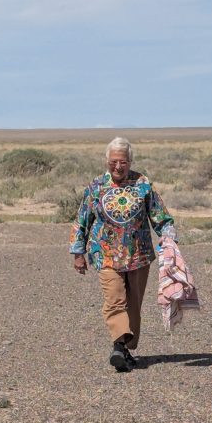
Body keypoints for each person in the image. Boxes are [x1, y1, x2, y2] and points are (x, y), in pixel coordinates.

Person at [69, 137, 177, 372]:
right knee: (114, 300)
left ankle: (125, 348)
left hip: (138, 255)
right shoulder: (96, 187)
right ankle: (118, 346)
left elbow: (160, 216)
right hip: (105, 255)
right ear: (107, 161)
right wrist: (78, 252)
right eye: (114, 162)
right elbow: (82, 220)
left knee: (133, 305)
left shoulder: (143, 185)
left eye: (123, 162)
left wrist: (168, 238)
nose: (118, 167)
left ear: (130, 162)